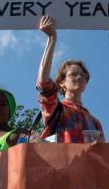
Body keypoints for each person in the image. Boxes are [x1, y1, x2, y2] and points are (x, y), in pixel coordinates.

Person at [36, 15, 104, 143]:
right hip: (59, 163)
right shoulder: (55, 108)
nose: (79, 77)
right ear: (62, 82)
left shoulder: (95, 122)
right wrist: (52, 38)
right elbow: (43, 82)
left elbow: (105, 157)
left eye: (83, 75)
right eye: (73, 74)